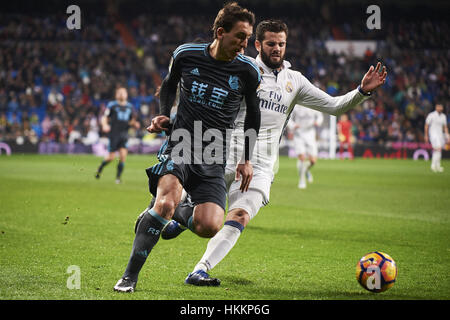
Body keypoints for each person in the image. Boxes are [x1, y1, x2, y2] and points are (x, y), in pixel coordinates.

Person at [159, 19, 388, 286]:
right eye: (271, 43)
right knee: (201, 213)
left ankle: (200, 269)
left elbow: (334, 106)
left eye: (281, 43)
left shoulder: (295, 81)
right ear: (257, 44)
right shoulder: (241, 69)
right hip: (224, 154)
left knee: (239, 216)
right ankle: (182, 216)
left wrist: (361, 92)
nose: (277, 48)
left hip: (262, 165)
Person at [113, 2, 261, 293]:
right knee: (165, 202)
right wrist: (163, 112)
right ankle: (129, 277)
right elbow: (169, 85)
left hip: (215, 154)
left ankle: (181, 213)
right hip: (182, 141)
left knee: (209, 226)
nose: (245, 44)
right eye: (240, 37)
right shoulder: (186, 54)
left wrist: (246, 159)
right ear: (220, 32)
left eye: (247, 37)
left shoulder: (247, 71)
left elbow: (253, 117)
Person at [95, 87, 140, 184]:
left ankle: (118, 178)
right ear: (116, 95)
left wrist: (134, 124)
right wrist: (105, 125)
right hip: (114, 134)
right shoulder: (112, 105)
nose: (122, 94)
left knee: (123, 157)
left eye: (123, 92)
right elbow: (105, 117)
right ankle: (100, 167)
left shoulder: (129, 107)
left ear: (126, 95)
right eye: (119, 93)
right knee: (111, 157)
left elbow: (131, 120)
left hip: (124, 134)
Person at [288, 106, 323, 189]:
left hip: (310, 133)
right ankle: (301, 180)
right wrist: (292, 125)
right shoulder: (296, 105)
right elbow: (288, 117)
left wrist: (318, 122)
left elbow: (320, 116)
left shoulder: (313, 103)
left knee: (313, 161)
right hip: (298, 133)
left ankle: (306, 170)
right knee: (302, 158)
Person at [424, 103, 449, 172]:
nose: (440, 108)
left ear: (442, 108)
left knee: (438, 150)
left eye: (441, 107)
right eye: (438, 107)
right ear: (436, 107)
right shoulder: (431, 115)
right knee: (438, 149)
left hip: (440, 135)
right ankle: (433, 165)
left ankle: (437, 165)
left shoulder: (443, 116)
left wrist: (447, 135)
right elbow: (426, 125)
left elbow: (445, 127)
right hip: (433, 134)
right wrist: (426, 135)